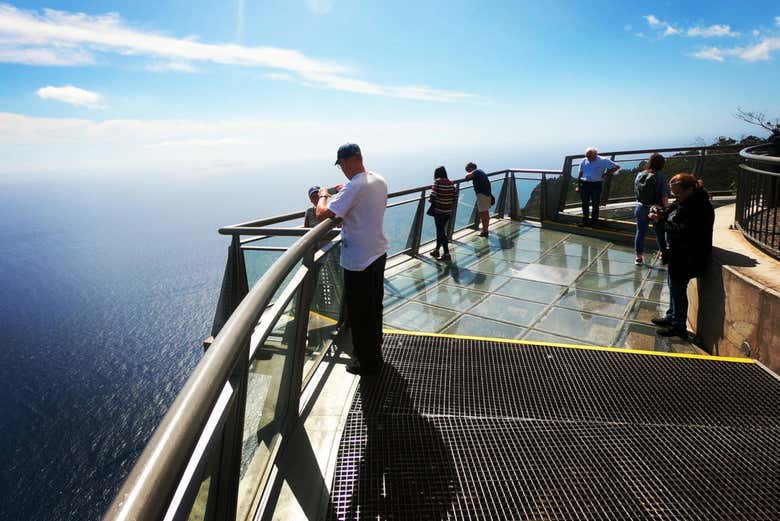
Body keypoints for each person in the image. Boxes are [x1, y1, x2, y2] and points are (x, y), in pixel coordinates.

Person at [315, 143, 389, 376]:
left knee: (360, 314)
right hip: (377, 252)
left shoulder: (355, 187)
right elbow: (357, 193)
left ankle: (367, 363)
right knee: (374, 306)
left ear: (346, 162)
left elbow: (322, 214)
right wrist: (345, 189)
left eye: (341, 165)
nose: (342, 170)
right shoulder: (377, 179)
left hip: (359, 260)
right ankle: (375, 350)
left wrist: (323, 196)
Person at [649, 173, 714, 338]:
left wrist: (661, 222)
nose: (674, 196)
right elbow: (671, 213)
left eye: (677, 193)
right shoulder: (685, 201)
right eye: (673, 193)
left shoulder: (699, 207)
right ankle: (671, 317)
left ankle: (678, 326)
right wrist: (659, 212)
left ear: (690, 189)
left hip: (688, 256)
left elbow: (684, 231)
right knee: (673, 287)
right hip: (678, 253)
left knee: (678, 290)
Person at [633, 152, 669, 265]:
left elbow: (636, 190)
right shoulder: (662, 176)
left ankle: (639, 257)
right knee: (660, 232)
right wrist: (666, 208)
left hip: (640, 207)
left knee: (640, 232)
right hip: (656, 208)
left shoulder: (640, 174)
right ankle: (663, 254)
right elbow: (664, 195)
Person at [576, 147, 620, 227]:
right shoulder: (584, 161)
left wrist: (606, 174)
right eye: (586, 156)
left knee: (595, 204)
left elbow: (616, 166)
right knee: (584, 203)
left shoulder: (603, 160)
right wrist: (578, 186)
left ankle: (594, 222)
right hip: (584, 184)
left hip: (596, 184)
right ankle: (585, 221)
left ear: (595, 155)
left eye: (589, 156)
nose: (587, 158)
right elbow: (580, 174)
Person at [429, 166, 457, 261]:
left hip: (439, 211)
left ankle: (446, 253)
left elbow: (432, 196)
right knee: (440, 231)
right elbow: (455, 197)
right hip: (448, 211)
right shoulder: (451, 183)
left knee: (441, 232)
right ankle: (436, 250)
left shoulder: (437, 182)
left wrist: (432, 199)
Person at [464, 162, 492, 237]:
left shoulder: (476, 172)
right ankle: (485, 230)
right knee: (485, 213)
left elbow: (467, 177)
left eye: (468, 170)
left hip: (482, 195)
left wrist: (469, 175)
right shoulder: (481, 171)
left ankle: (485, 232)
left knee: (483, 214)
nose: (468, 171)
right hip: (487, 194)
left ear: (471, 168)